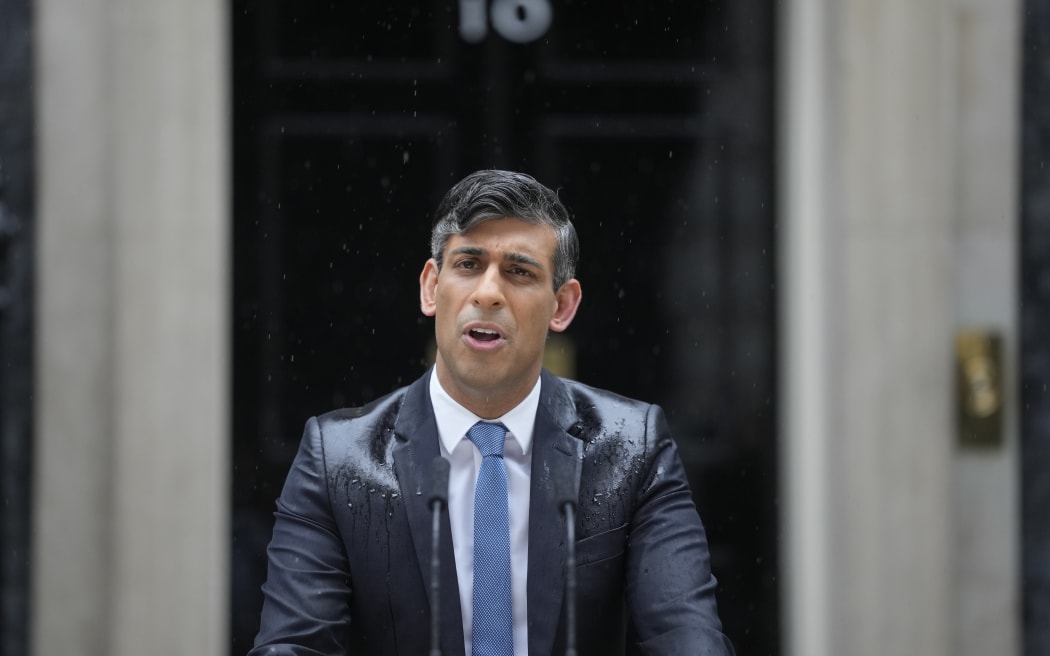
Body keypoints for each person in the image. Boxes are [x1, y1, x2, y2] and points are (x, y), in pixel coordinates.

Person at [250, 170, 735, 656]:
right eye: (468, 264)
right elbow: (294, 645)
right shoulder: (337, 459)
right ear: (431, 287)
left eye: (519, 271)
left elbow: (688, 641)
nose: (488, 293)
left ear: (561, 307)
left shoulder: (634, 447)